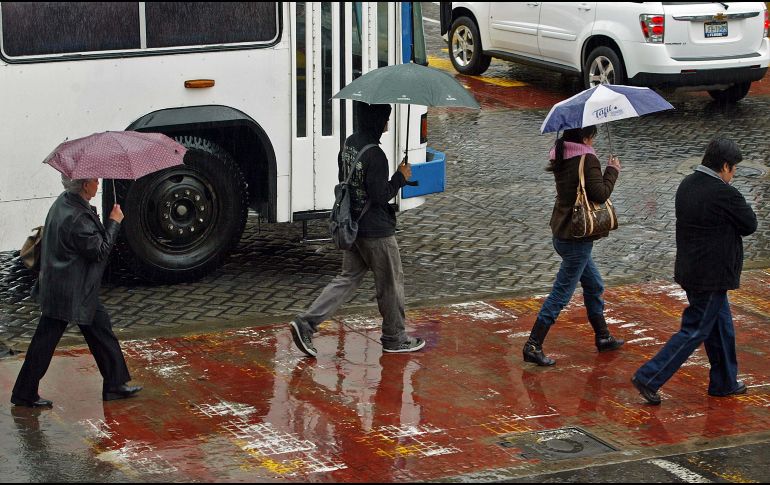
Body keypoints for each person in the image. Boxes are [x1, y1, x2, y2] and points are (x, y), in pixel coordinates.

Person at [289, 102, 425, 357]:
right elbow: (380, 194)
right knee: (391, 284)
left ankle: (306, 323)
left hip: (353, 226)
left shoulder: (351, 143)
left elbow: (346, 176)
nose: (387, 125)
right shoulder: (376, 155)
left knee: (346, 279)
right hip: (377, 232)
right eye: (385, 119)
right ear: (377, 121)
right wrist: (400, 176)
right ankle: (395, 338)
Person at [632, 137, 757, 405]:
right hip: (711, 275)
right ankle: (649, 376)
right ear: (725, 166)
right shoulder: (724, 193)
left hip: (691, 270)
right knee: (695, 329)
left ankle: (724, 382)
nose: (733, 174)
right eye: (733, 168)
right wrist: (736, 197)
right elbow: (749, 224)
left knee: (721, 328)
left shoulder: (687, 184)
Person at [10, 176, 142, 407]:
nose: (98, 185)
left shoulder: (65, 202)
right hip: (71, 291)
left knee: (100, 330)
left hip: (67, 286)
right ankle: (24, 393)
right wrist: (114, 222)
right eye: (95, 181)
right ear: (84, 185)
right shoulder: (77, 217)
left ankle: (114, 383)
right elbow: (100, 251)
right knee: (45, 342)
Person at [523, 126, 625, 366]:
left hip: (562, 232)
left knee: (594, 284)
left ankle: (602, 336)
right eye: (592, 138)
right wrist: (612, 170)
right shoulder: (586, 158)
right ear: (586, 138)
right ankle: (533, 345)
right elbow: (600, 194)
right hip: (577, 239)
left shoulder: (560, 153)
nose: (593, 142)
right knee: (561, 294)